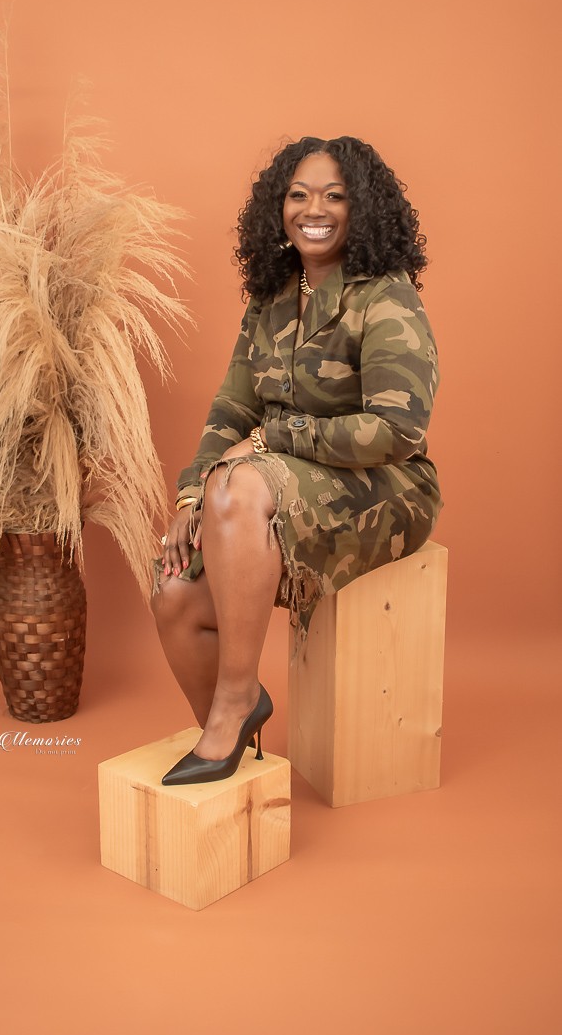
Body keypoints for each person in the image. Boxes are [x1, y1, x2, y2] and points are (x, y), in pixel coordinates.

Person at [151, 135, 441, 786]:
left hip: (386, 487)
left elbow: (398, 429)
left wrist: (275, 438)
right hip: (279, 485)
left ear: (361, 207)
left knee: (240, 487)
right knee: (173, 594)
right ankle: (236, 749)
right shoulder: (273, 297)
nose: (315, 209)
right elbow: (233, 406)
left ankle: (235, 701)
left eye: (335, 196)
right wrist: (192, 496)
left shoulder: (385, 296)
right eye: (299, 195)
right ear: (277, 207)